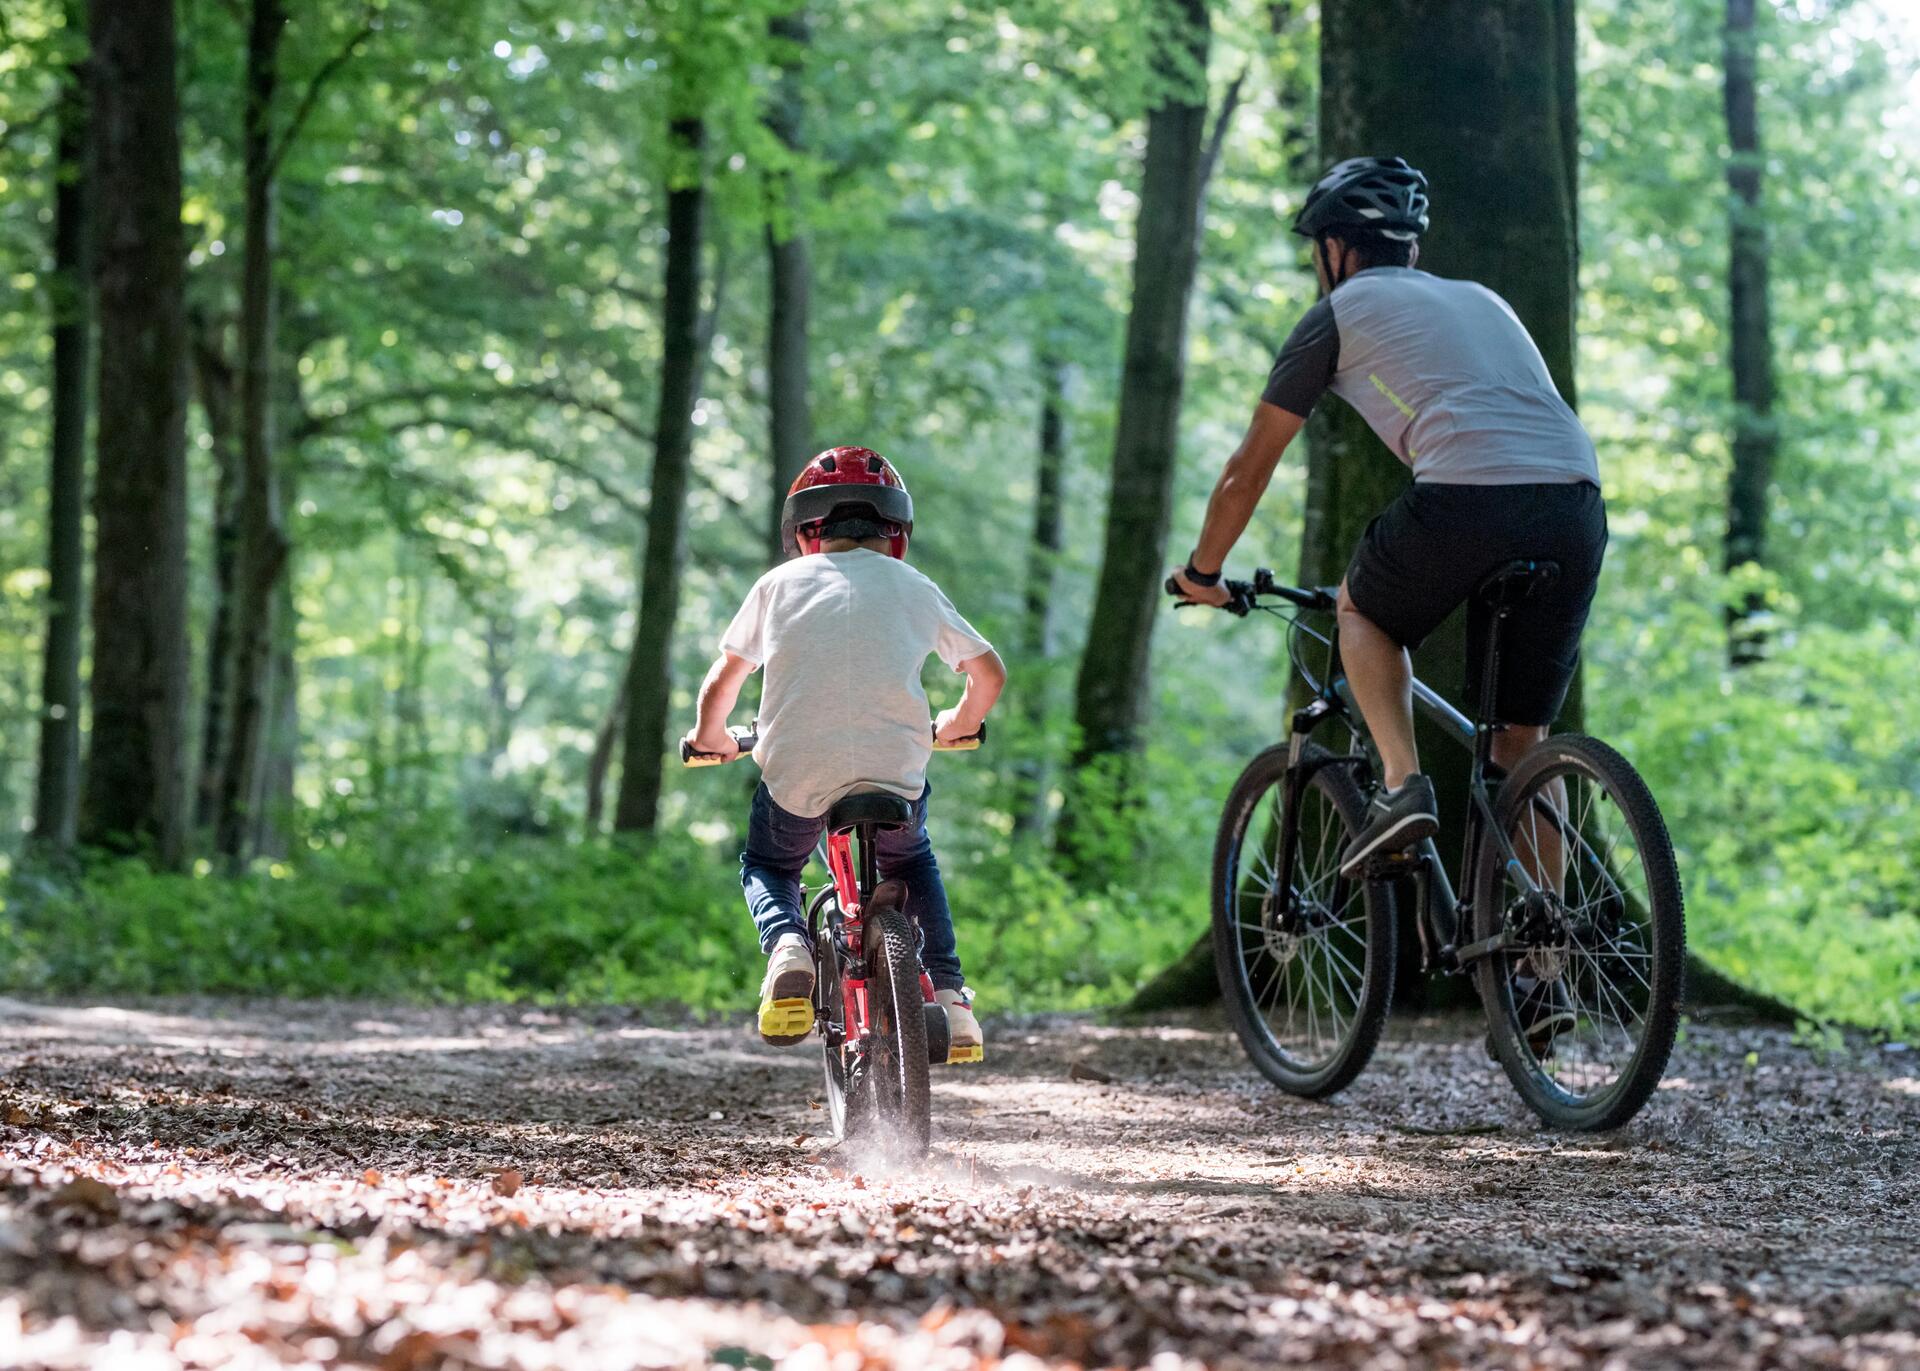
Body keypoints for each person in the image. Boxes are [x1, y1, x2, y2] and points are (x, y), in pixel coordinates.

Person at [1168, 156, 1605, 1047]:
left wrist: (1203, 571)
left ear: (1335, 248)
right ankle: (1542, 961)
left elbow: (1248, 466)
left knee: (1362, 612)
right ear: (1411, 244)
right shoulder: (1487, 300)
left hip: (1465, 496)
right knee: (1520, 744)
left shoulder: (1336, 315)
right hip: (1576, 502)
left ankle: (1404, 787)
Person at [682, 447, 1006, 1061]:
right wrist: (960, 724)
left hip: (798, 771)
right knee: (913, 864)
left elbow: (723, 680)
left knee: (771, 864)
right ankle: (953, 1004)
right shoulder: (915, 587)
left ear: (806, 534)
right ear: (898, 536)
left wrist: (711, 737)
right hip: (896, 769)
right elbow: (989, 674)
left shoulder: (776, 586)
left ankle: (787, 945)